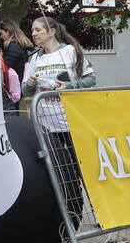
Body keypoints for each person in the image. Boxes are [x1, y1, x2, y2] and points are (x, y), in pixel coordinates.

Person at [22, 16, 96, 225]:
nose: (34, 34)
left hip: (70, 120)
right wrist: (29, 82)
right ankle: (65, 217)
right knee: (57, 170)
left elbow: (91, 79)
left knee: (81, 168)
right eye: (32, 30)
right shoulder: (34, 59)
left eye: (38, 30)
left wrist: (68, 87)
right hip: (46, 124)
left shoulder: (69, 51)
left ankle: (98, 211)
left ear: (52, 31)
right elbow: (26, 92)